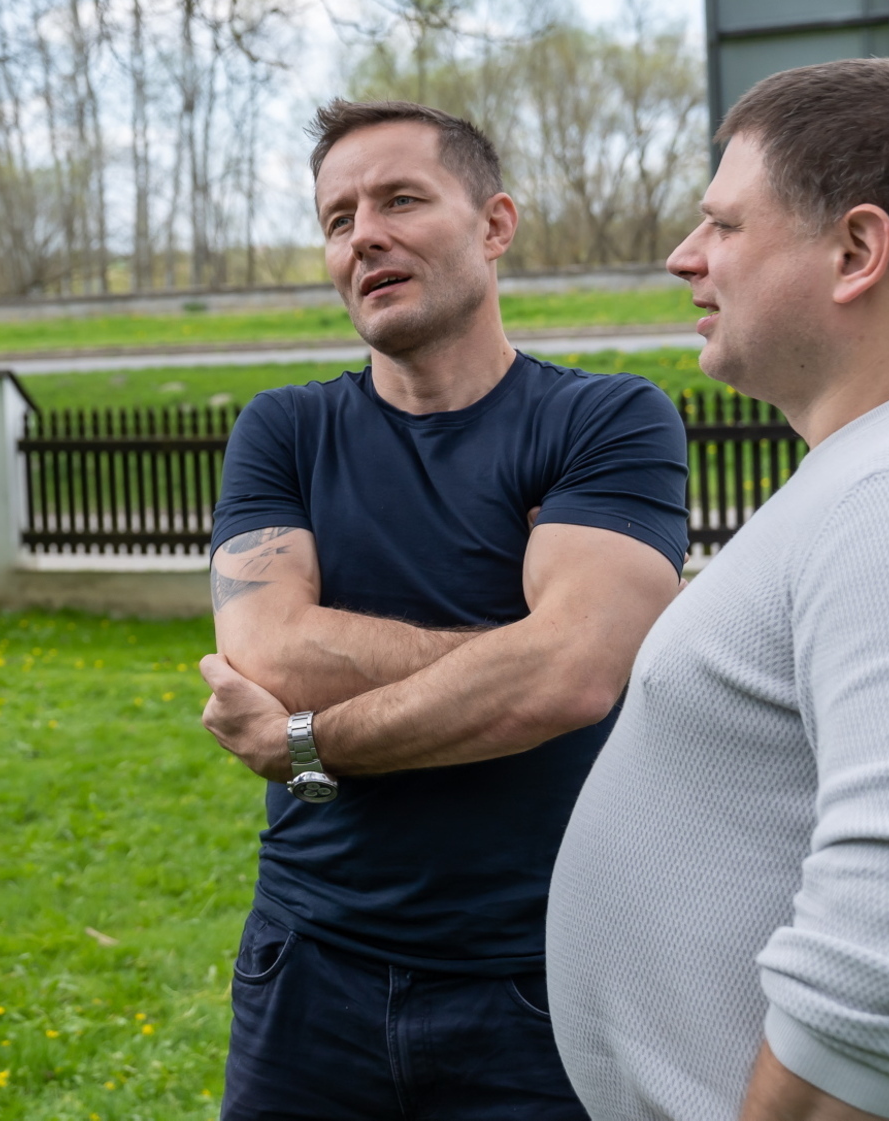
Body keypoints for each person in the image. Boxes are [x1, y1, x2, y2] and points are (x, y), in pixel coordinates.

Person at [195, 98, 690, 1119]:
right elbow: (268, 647)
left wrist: (303, 740)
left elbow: (572, 678)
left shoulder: (604, 419)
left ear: (495, 224)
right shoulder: (285, 431)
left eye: (401, 200)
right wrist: (525, 648)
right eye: (338, 219)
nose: (363, 236)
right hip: (308, 971)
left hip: (538, 976)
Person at [548, 58, 889, 1121]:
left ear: (856, 251)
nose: (685, 255)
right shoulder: (862, 474)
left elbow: (886, 942)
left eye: (725, 223)